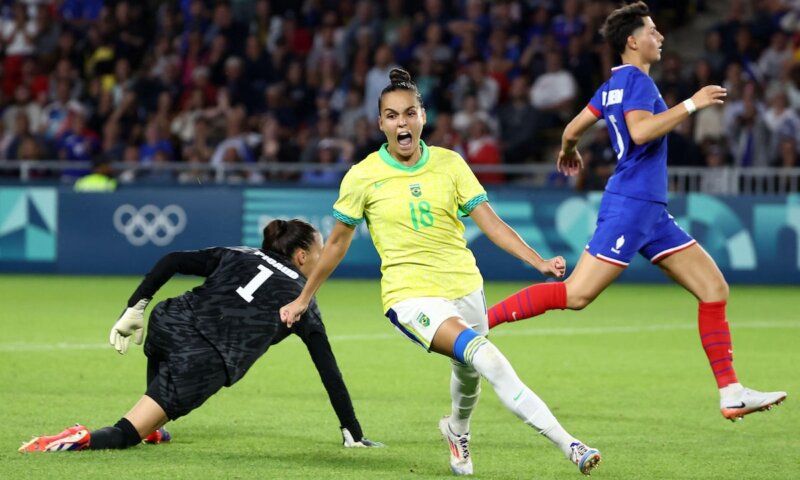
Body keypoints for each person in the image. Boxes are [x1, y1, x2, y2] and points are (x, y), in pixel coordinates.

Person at [280, 68, 601, 476]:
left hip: (465, 285)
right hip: (410, 296)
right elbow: (339, 242)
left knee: (470, 377)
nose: (402, 123)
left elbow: (491, 222)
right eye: (392, 116)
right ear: (380, 123)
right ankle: (570, 444)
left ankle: (456, 430)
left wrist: (536, 261)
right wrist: (304, 297)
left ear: (422, 117)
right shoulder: (362, 176)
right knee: (489, 359)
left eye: (409, 113)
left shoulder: (450, 165)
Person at [487, 2, 786, 421]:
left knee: (713, 289)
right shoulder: (641, 85)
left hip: (651, 214)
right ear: (632, 41)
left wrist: (568, 151)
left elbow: (573, 129)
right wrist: (692, 105)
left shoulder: (611, 86)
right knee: (576, 295)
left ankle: (731, 392)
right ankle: (480, 324)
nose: (660, 37)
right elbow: (641, 131)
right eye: (652, 31)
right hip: (631, 206)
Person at [19, 219, 382, 453]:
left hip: (168, 319)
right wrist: (352, 430)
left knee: (162, 352)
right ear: (302, 257)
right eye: (321, 252)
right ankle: (77, 439)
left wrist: (136, 307)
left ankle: (153, 427)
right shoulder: (303, 299)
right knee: (124, 434)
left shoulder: (240, 253)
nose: (324, 260)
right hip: (204, 360)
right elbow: (329, 371)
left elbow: (173, 259)